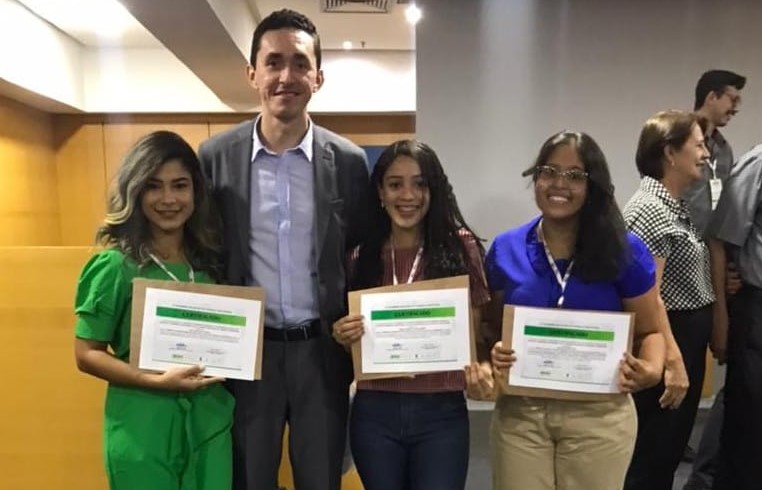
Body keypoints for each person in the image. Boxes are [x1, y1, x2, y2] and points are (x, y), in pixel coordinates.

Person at [197, 8, 370, 490]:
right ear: (252, 74)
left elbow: (362, 251)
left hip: (322, 352)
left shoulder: (349, 162)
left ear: (318, 77)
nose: (286, 77)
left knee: (320, 479)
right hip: (248, 353)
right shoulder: (215, 157)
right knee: (249, 478)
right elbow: (202, 248)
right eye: (273, 62)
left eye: (300, 64)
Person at [486, 130, 666, 490]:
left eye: (574, 175)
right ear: (536, 178)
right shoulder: (506, 248)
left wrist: (650, 369)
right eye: (549, 171)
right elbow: (490, 328)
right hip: (522, 414)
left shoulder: (624, 250)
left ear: (592, 185)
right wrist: (492, 353)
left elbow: (651, 331)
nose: (559, 184)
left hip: (599, 416)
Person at [73, 130, 233, 490]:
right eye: (153, 186)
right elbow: (86, 354)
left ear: (196, 192)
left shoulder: (208, 263)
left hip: (210, 425)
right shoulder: (116, 266)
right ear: (135, 191)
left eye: (180, 186)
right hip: (143, 426)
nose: (168, 199)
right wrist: (155, 381)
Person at [331, 139, 490, 490]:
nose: (408, 195)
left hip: (441, 412)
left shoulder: (460, 248)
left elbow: (474, 337)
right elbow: (354, 347)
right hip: (375, 412)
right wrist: (343, 335)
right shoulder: (359, 256)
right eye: (395, 184)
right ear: (380, 192)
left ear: (434, 190)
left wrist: (481, 370)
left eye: (420, 184)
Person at [622, 110, 717, 490]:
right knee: (650, 458)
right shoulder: (649, 210)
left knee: (666, 453)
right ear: (670, 153)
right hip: (667, 342)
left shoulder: (672, 206)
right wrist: (673, 362)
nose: (706, 154)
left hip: (682, 340)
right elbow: (650, 296)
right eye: (699, 145)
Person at [682, 69, 746, 490]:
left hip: (712, 256)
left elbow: (724, 214)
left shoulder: (724, 150)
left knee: (710, 357)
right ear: (710, 96)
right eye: (731, 99)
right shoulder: (677, 136)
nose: (735, 108)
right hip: (679, 257)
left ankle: (687, 445)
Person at [707, 143, 762, 490]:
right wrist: (721, 317)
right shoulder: (757, 165)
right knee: (750, 424)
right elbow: (719, 240)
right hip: (756, 310)